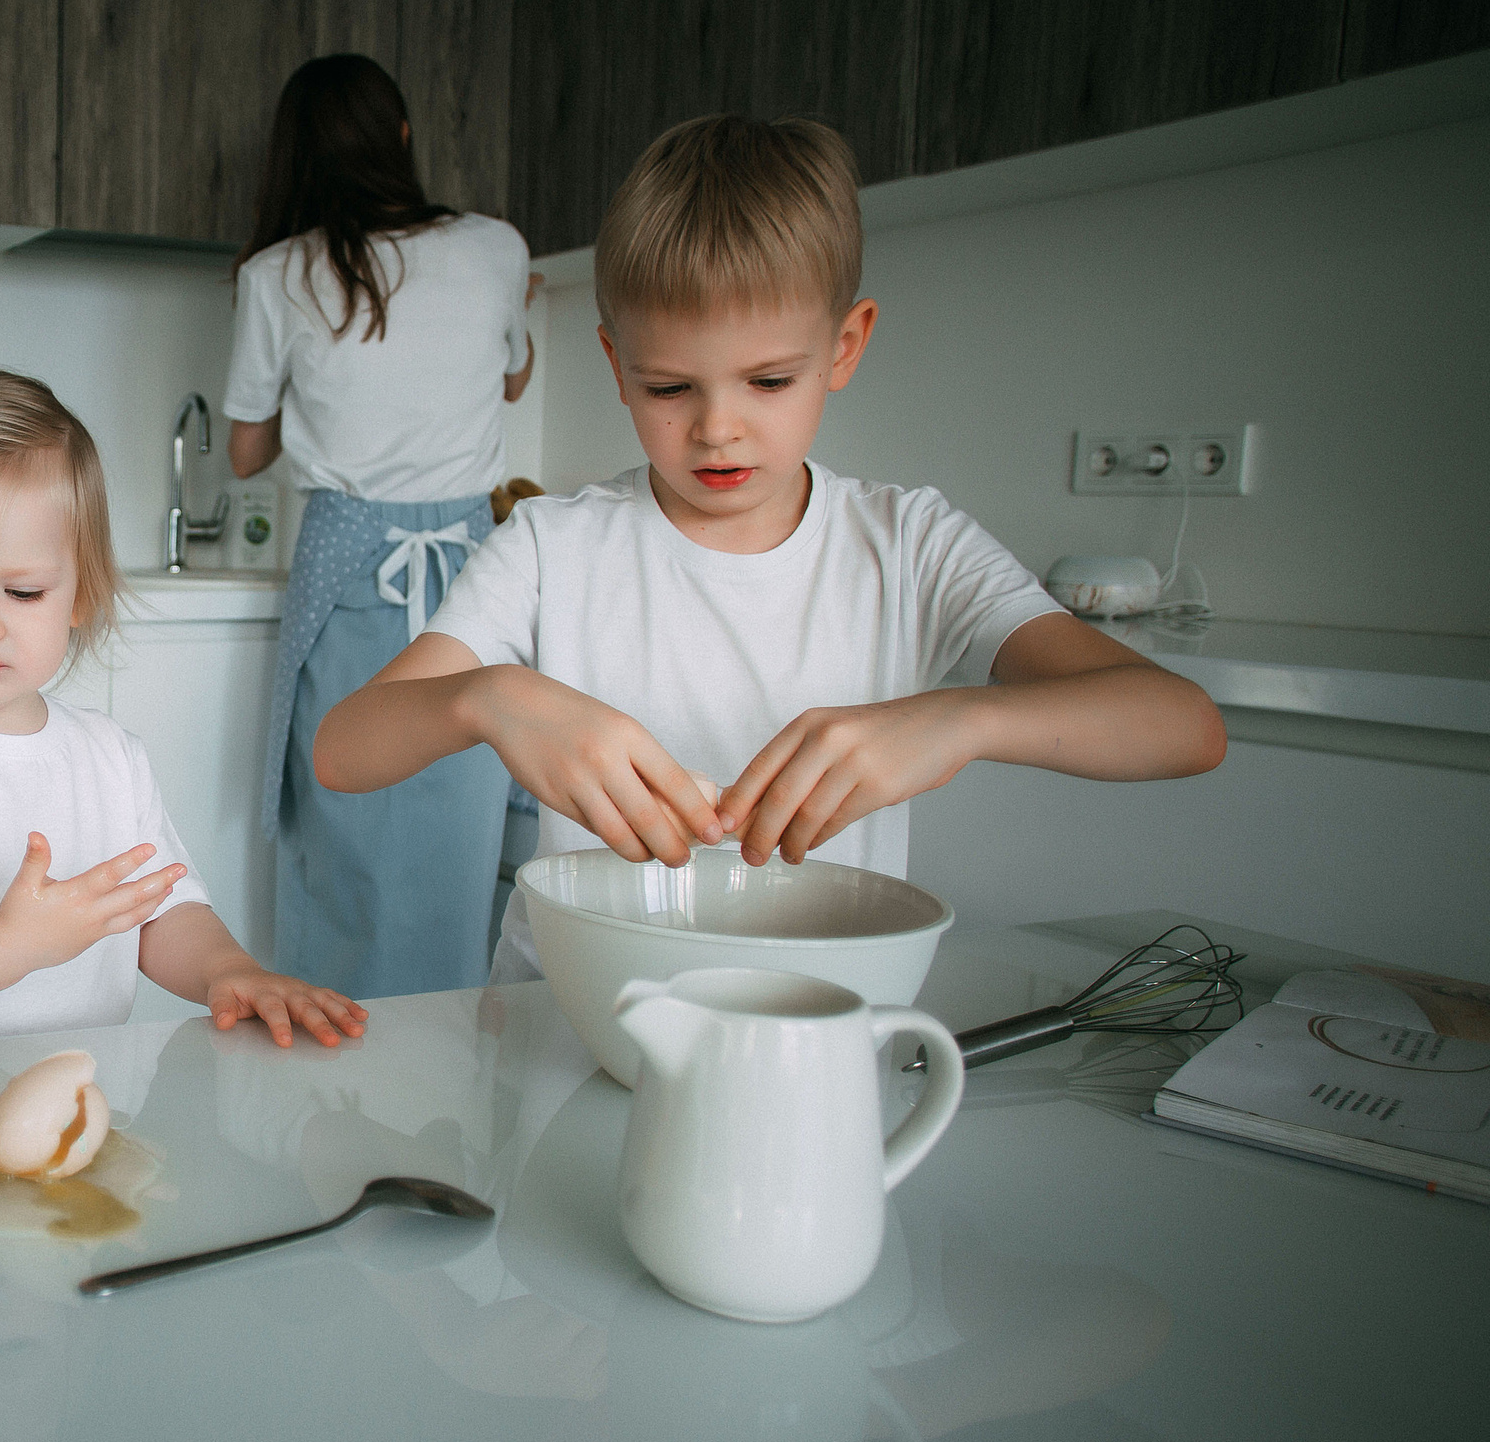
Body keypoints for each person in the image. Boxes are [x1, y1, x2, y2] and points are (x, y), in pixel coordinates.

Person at [313, 115, 1226, 983]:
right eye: (668, 385)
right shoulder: (554, 545)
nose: (718, 428)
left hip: (806, 1019)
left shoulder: (908, 545)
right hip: (562, 1012)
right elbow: (343, 752)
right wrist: (490, 699)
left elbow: (1184, 724)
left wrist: (962, 720)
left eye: (769, 380)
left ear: (845, 345)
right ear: (614, 363)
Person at [0, 367, 368, 1053]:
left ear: (81, 593)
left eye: (23, 591)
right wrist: (8, 945)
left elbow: (162, 912)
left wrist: (228, 969)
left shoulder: (108, 757)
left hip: (61, 1106)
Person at [223, 53, 538, 999]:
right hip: (477, 562)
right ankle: (456, 1047)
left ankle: (336, 1052)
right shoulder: (497, 248)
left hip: (350, 555)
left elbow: (243, 454)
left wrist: (319, 391)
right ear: (401, 139)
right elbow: (513, 377)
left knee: (346, 802)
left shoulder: (279, 273)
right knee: (463, 805)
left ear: (297, 163)